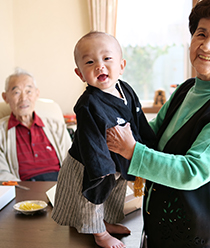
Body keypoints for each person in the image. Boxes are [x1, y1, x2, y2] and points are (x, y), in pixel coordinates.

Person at [106, 0, 210, 247]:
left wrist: (131, 150)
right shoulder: (186, 90)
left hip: (196, 240)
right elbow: (150, 134)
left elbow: (192, 172)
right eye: (200, 34)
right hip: (159, 231)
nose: (206, 45)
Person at [51, 31, 155, 248]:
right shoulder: (88, 103)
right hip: (91, 164)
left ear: (121, 65)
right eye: (90, 62)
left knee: (113, 195)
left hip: (118, 159)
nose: (99, 66)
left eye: (107, 59)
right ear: (80, 74)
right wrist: (102, 170)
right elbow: (91, 141)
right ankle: (99, 233)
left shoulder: (125, 89)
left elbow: (138, 121)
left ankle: (105, 222)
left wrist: (148, 147)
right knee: (92, 197)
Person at [0, 68, 71, 181]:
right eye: (16, 92)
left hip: (59, 188)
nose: (23, 98)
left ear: (37, 94)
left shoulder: (56, 126)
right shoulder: (1, 132)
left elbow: (72, 163)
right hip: (24, 191)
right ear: (5, 97)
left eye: (29, 91)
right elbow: (2, 173)